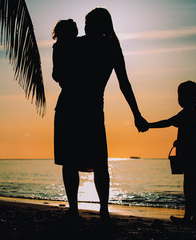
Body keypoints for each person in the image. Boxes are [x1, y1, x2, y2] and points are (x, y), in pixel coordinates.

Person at [52, 8, 148, 221]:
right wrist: (137, 114)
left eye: (88, 23)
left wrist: (137, 114)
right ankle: (94, 210)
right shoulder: (110, 46)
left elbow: (58, 75)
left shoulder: (83, 44)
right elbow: (124, 83)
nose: (85, 27)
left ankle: (83, 210)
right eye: (85, 23)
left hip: (74, 107)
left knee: (82, 162)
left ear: (99, 24)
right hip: (88, 109)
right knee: (93, 162)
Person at [148, 81, 196, 225]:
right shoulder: (190, 113)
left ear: (194, 98)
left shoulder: (188, 113)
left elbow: (168, 122)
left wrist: (148, 125)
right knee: (191, 187)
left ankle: (194, 219)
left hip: (195, 156)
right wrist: (180, 142)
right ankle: (190, 218)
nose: (180, 99)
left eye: (183, 96)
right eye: (180, 96)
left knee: (192, 188)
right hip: (195, 155)